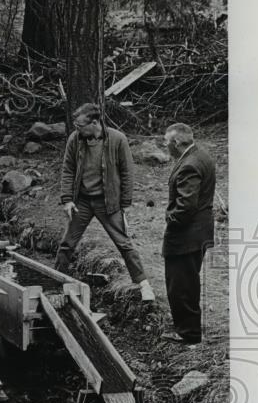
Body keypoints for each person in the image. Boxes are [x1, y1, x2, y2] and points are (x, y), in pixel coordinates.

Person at [55, 103, 155, 301]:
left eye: (80, 125)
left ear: (94, 122)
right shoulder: (75, 139)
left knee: (124, 243)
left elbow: (127, 172)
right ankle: (56, 280)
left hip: (108, 202)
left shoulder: (118, 139)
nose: (77, 129)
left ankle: (144, 285)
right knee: (67, 243)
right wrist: (67, 200)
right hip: (81, 202)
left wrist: (125, 203)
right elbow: (67, 169)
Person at [161, 122, 215, 346]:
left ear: (175, 143)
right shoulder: (201, 155)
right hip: (198, 232)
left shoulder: (189, 165)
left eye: (166, 142)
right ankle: (188, 328)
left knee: (180, 285)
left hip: (186, 236)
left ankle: (188, 333)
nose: (165, 147)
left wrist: (170, 219)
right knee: (187, 283)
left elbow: (186, 206)